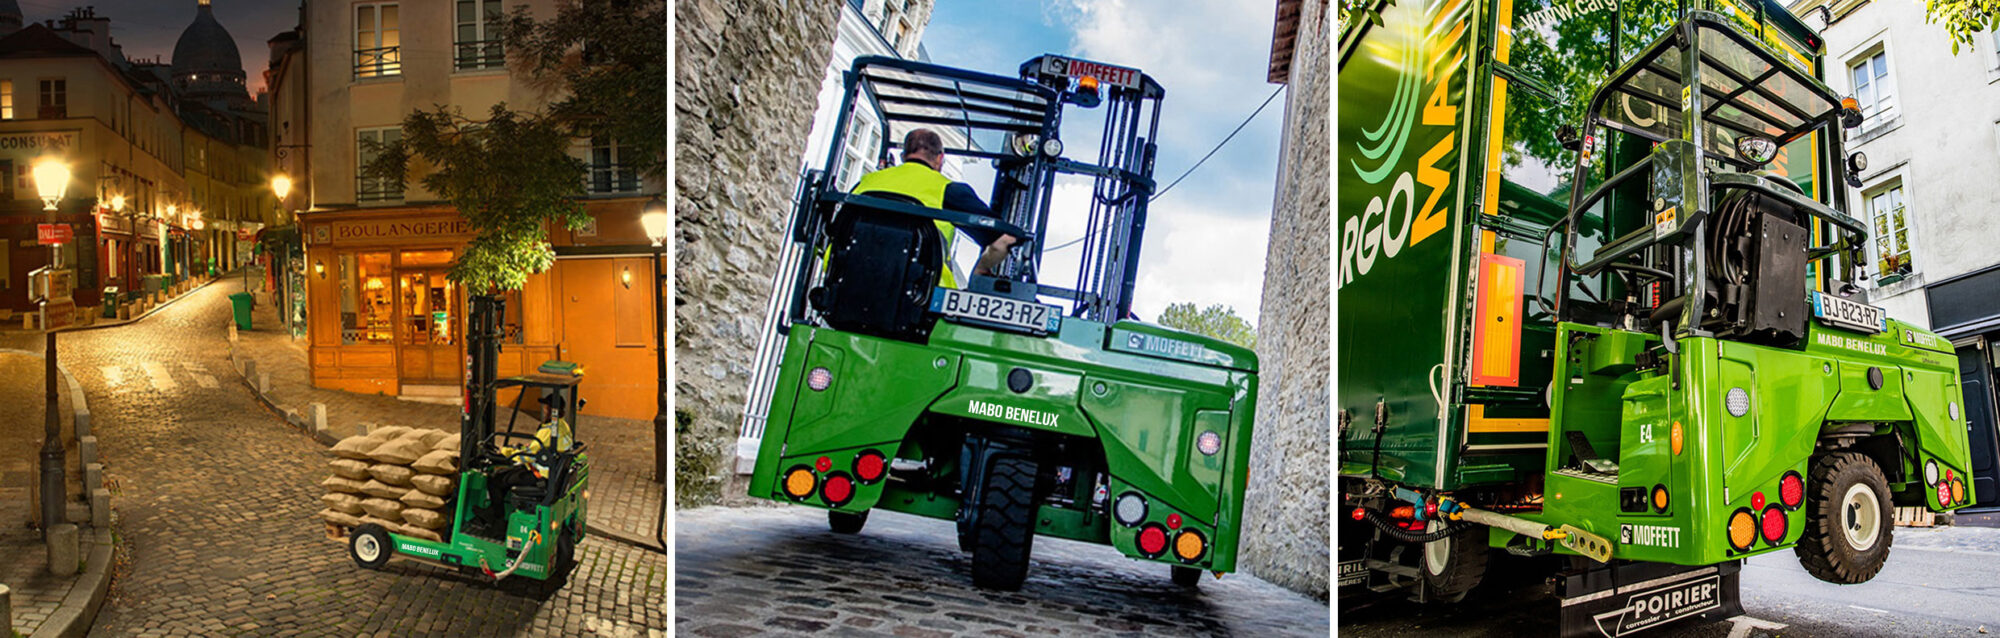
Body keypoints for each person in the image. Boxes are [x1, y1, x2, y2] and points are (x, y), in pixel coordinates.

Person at [852, 128, 1018, 288]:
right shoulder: (947, 190)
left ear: (903, 156)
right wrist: (980, 269)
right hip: (921, 299)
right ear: (940, 158)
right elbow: (1004, 239)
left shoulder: (866, 182)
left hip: (850, 282)